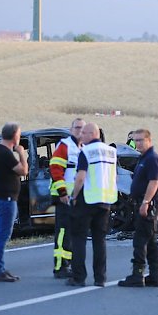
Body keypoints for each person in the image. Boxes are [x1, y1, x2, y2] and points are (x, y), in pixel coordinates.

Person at [66, 122, 118, 288]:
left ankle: (78, 277)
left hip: (87, 199)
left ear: (91, 134)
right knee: (99, 240)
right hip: (105, 200)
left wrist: (74, 196)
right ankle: (100, 278)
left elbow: (80, 177)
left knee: (79, 238)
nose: (81, 136)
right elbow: (114, 176)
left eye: (84, 133)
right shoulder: (111, 151)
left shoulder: (86, 151)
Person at [118, 128, 158, 288]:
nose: (137, 143)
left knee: (140, 240)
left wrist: (145, 202)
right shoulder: (143, 158)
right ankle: (154, 275)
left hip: (147, 204)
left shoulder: (152, 159)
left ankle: (137, 275)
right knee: (150, 241)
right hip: (142, 202)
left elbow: (154, 182)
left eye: (140, 140)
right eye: (135, 140)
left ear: (148, 140)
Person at [0, 122, 28, 282]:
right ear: (14, 136)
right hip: (6, 200)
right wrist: (21, 153)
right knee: (3, 235)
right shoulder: (5, 153)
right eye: (19, 134)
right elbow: (24, 171)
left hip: (1, 199)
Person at [49, 118, 85, 278]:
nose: (80, 131)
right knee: (63, 231)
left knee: (72, 232)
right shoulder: (65, 146)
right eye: (77, 127)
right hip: (64, 197)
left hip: (75, 198)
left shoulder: (83, 148)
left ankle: (68, 264)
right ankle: (60, 266)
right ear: (71, 130)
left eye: (82, 128)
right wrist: (62, 192)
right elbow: (55, 169)